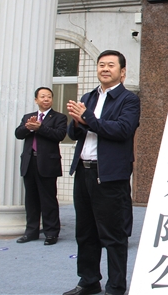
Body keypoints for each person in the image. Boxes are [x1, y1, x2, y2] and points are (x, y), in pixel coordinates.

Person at [63, 50, 140, 295]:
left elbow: (122, 130)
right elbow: (74, 133)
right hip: (83, 172)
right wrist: (77, 122)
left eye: (110, 65)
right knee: (85, 232)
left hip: (109, 176)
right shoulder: (88, 97)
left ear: (122, 72)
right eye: (101, 65)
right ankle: (89, 281)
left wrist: (87, 118)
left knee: (114, 235)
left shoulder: (129, 100)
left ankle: (116, 287)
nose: (105, 69)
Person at [15, 87, 67, 245]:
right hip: (29, 162)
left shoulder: (59, 117)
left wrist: (40, 128)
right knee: (31, 199)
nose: (46, 99)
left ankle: (51, 233)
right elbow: (18, 134)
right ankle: (31, 232)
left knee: (48, 199)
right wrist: (27, 127)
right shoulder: (28, 117)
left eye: (49, 97)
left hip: (47, 163)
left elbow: (59, 135)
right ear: (36, 100)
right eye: (43, 96)